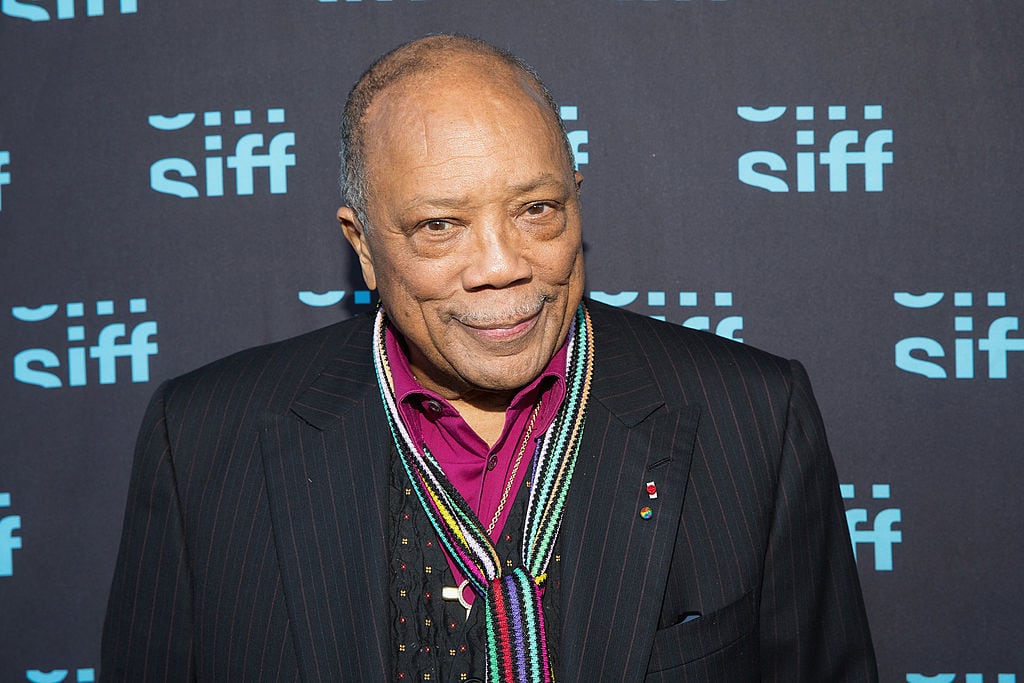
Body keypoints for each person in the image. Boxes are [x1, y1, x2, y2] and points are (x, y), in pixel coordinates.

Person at [101, 34, 877, 682]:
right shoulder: (202, 442)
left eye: (536, 210)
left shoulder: (753, 417)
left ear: (577, 203)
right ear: (362, 247)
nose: (503, 265)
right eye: (440, 226)